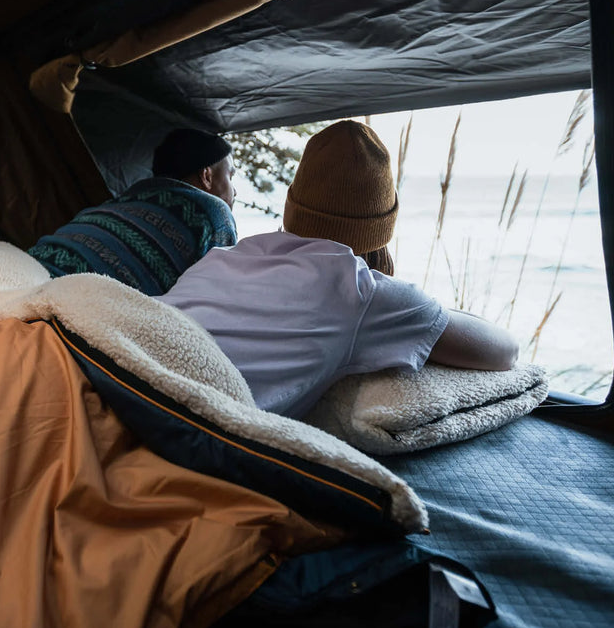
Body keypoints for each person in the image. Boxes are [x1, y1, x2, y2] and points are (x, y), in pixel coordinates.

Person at [158, 120, 518, 419]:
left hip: (125, 393)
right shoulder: (362, 292)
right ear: (379, 229)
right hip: (185, 433)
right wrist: (425, 309)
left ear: (293, 206)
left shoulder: (225, 256)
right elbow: (504, 351)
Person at [28, 128, 237, 295]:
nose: (234, 190)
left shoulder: (111, 206)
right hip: (66, 307)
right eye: (230, 176)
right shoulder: (212, 211)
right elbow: (220, 301)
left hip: (23, 280)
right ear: (206, 176)